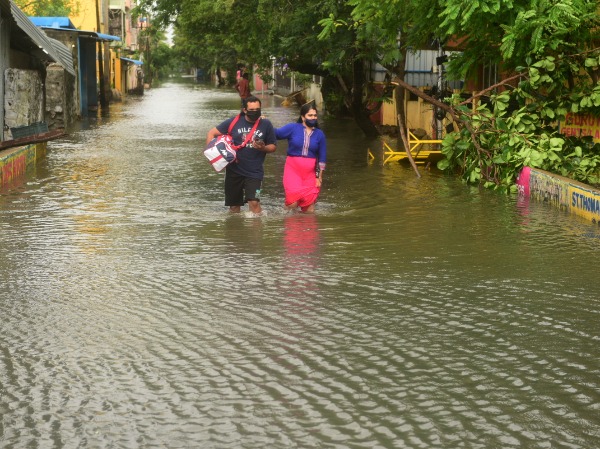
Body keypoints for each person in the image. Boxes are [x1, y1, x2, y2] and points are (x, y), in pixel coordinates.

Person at [206, 95, 277, 214]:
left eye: (257, 110)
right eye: (252, 110)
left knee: (254, 202)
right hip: (233, 172)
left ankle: (257, 230)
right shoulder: (233, 122)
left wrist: (263, 147)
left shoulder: (266, 124)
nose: (255, 112)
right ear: (245, 110)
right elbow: (211, 133)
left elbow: (273, 146)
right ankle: (236, 231)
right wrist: (212, 154)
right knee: (234, 207)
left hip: (255, 172)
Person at [275, 103, 326, 213]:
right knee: (293, 203)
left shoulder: (319, 134)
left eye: (315, 115)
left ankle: (306, 228)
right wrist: (264, 124)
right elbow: (276, 134)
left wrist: (319, 177)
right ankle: (289, 224)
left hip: (310, 174)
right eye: (310, 115)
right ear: (303, 117)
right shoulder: (292, 128)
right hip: (293, 170)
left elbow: (322, 157)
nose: (313, 118)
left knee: (309, 208)